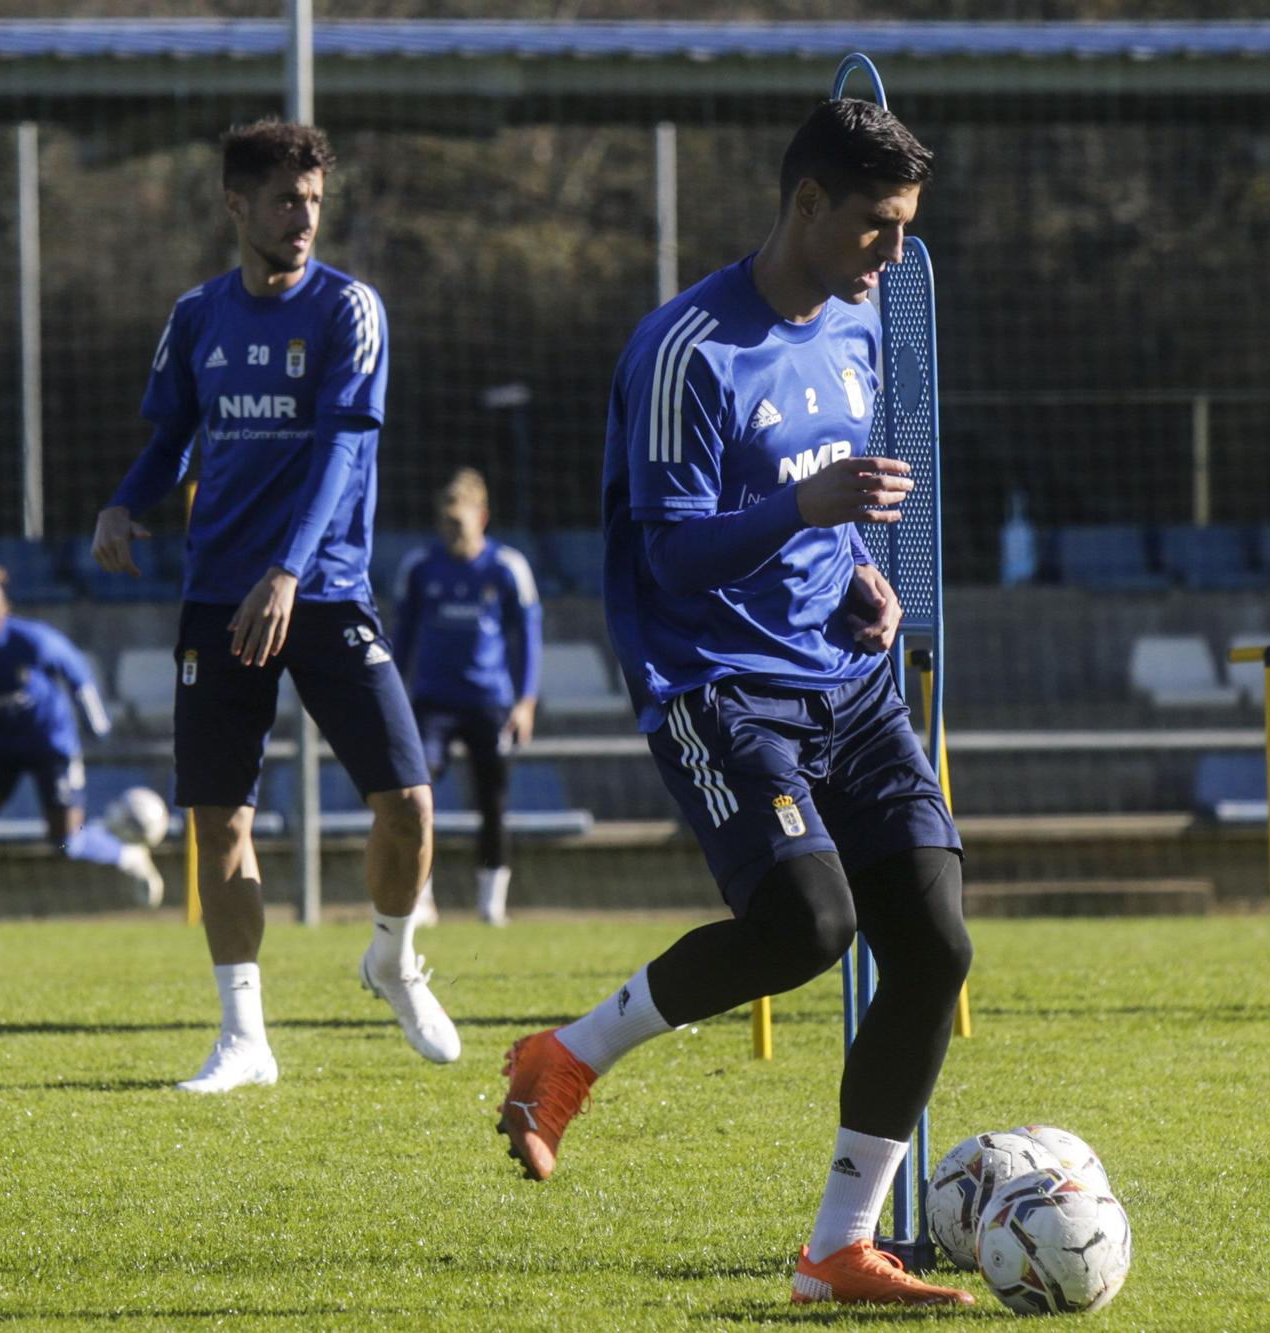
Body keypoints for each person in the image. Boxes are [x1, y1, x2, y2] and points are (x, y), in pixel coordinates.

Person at [494, 99, 975, 1307]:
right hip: (717, 686)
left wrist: (861, 577)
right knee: (808, 926)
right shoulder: (685, 351)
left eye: (907, 228)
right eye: (877, 225)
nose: (893, 253)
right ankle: (566, 1056)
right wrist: (806, 515)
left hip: (848, 681)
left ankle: (837, 1249)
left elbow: (831, 516)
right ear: (805, 203)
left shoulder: (863, 322)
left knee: (932, 944)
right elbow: (667, 560)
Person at [91, 118, 458, 1094]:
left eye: (313, 203)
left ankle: (390, 955)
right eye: (285, 202)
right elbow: (172, 436)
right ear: (236, 206)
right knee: (222, 820)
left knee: (409, 805)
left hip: (325, 591)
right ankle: (244, 1036)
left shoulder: (350, 311)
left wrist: (290, 572)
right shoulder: (197, 317)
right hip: (218, 598)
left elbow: (345, 454)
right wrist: (126, 499)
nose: (302, 219)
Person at [0, 560, 164, 923]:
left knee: (66, 843)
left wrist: (96, 723)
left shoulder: (32, 641)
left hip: (50, 744)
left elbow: (77, 674)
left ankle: (127, 855)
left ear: (4, 607)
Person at [392, 468, 542, 927]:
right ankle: (422, 898)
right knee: (417, 796)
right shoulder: (419, 567)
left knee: (492, 799)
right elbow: (402, 639)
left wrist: (525, 701)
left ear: (483, 516)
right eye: (445, 522)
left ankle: (490, 901)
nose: (451, 531)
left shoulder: (507, 567)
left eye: (459, 521)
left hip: (489, 701)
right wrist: (394, 699)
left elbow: (529, 636)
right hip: (433, 701)